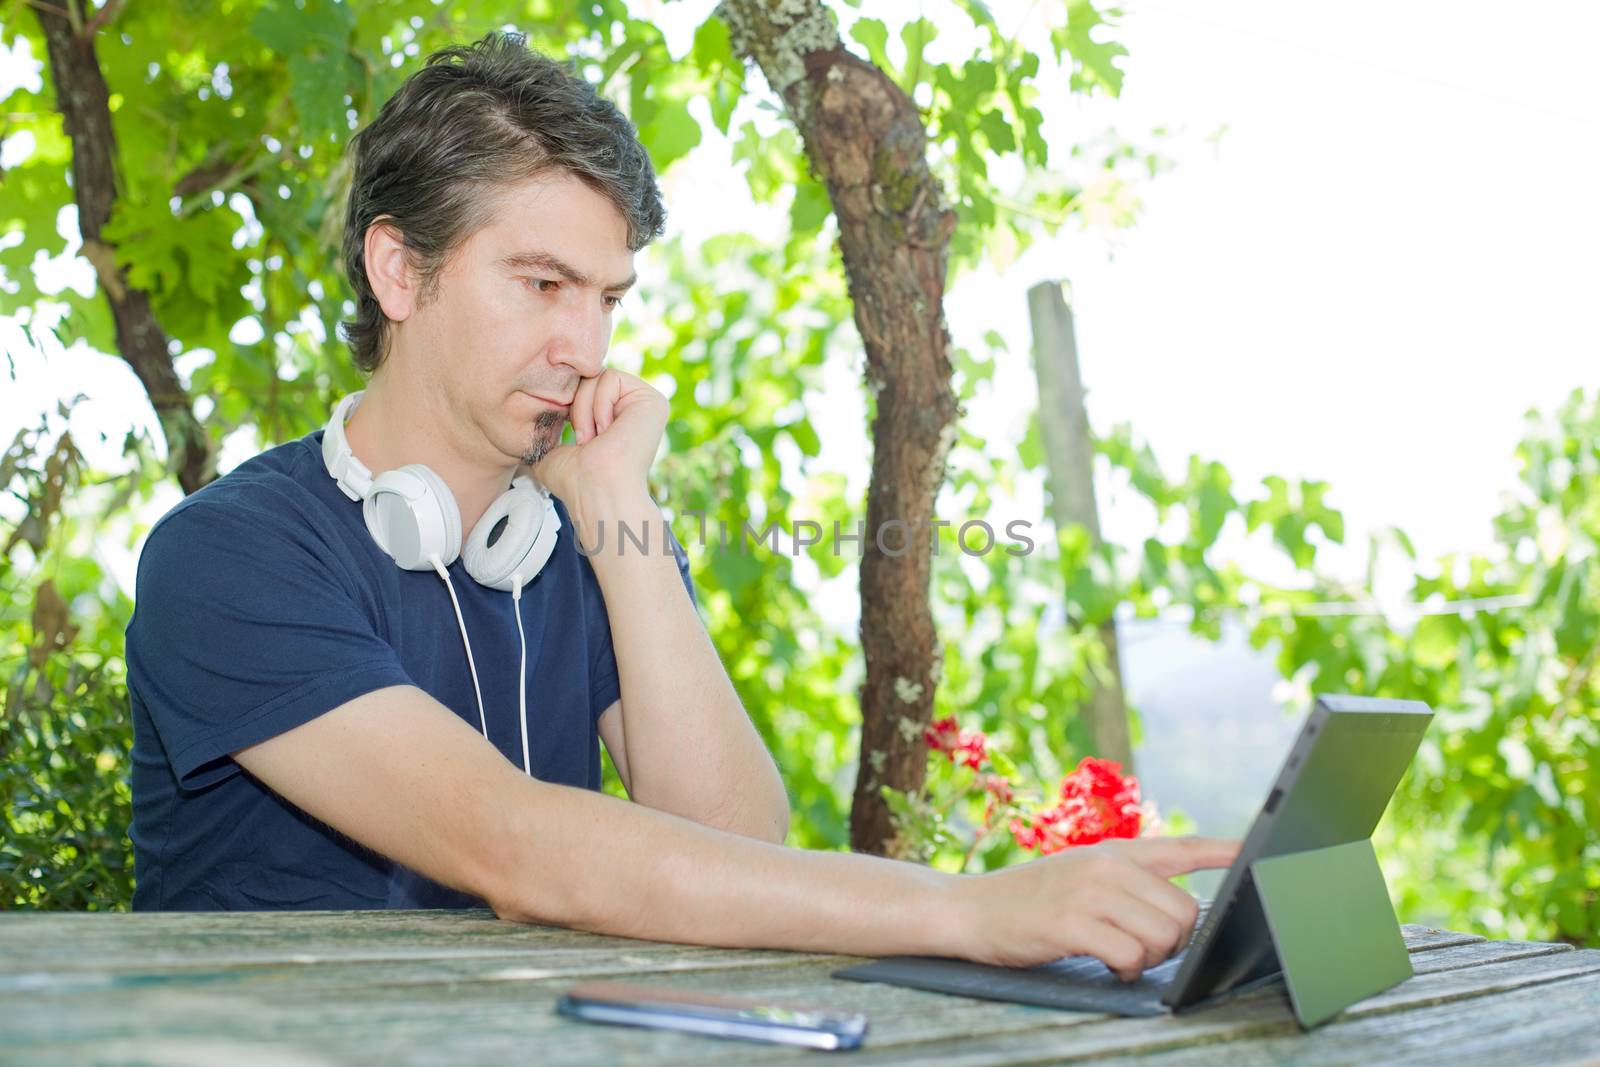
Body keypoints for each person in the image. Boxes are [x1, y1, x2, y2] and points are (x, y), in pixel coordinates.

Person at [126, 31, 1238, 981]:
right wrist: (965, 908)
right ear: (399, 272)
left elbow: (737, 841)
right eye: (541, 283)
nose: (585, 346)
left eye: (607, 297)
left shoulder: (577, 539)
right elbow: (510, 845)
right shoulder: (227, 556)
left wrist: (622, 511)